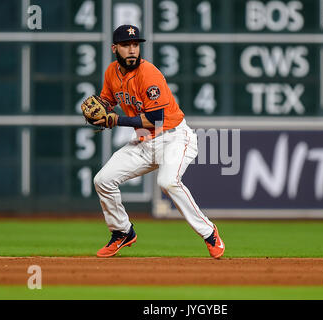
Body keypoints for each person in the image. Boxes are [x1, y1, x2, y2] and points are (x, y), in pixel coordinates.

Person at [91, 25, 225, 258]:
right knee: (103, 180)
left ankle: (209, 232)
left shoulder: (148, 73)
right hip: (144, 143)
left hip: (174, 137)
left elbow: (157, 119)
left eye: (135, 45)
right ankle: (122, 232)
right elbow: (106, 101)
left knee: (168, 181)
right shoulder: (111, 72)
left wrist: (116, 120)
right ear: (115, 48)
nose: (132, 49)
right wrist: (99, 113)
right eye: (126, 45)